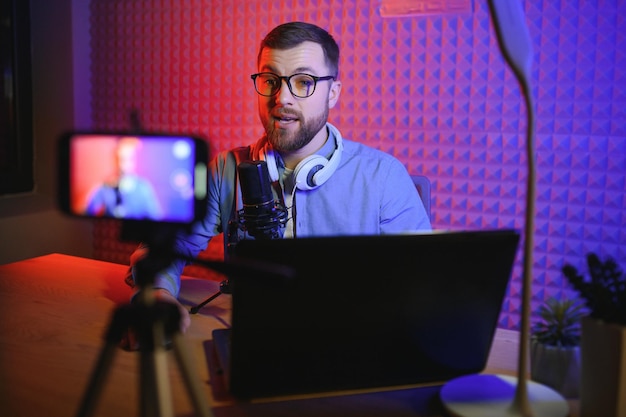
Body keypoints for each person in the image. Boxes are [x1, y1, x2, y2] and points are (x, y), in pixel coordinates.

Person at [124, 21, 431, 344]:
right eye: (270, 80)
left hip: (352, 343)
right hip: (257, 339)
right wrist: (156, 293)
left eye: (304, 82)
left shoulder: (383, 177)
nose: (282, 98)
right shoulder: (226, 170)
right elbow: (165, 249)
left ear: (333, 93)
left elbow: (426, 280)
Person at [85, 137, 162, 220]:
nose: (121, 165)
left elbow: (155, 218)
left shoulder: (143, 187)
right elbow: (87, 212)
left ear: (133, 161)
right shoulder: (104, 187)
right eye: (118, 159)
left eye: (126, 160)